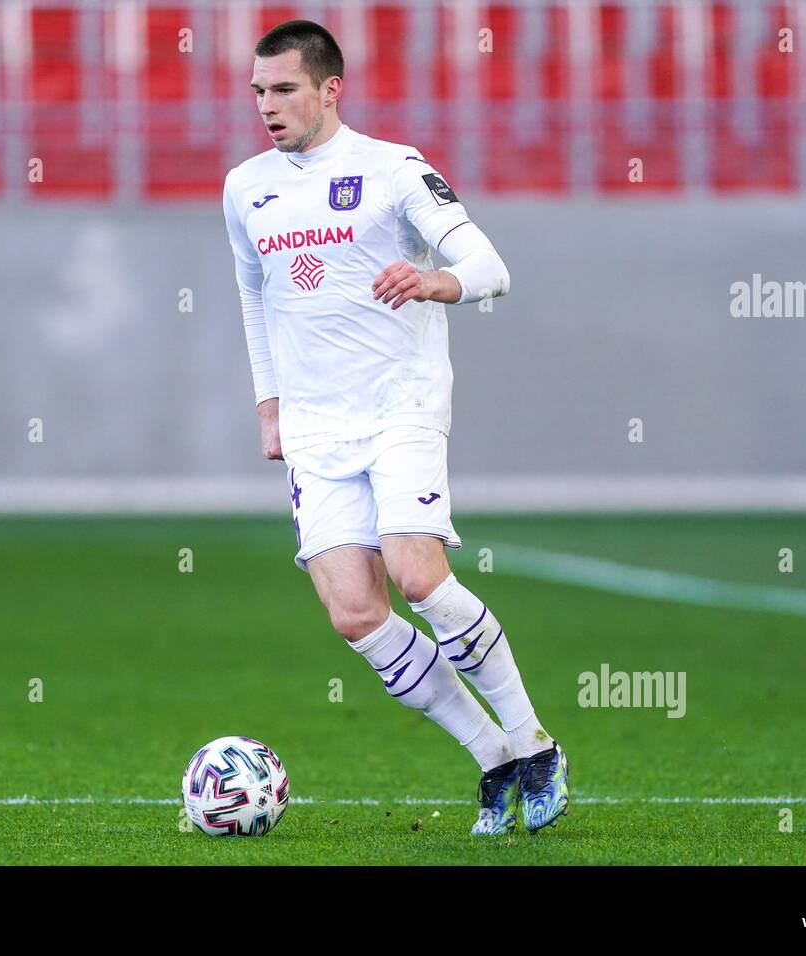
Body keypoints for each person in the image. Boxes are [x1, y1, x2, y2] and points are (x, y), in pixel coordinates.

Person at [221, 20, 567, 835]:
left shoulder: (393, 169)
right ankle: (494, 759)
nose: (267, 106)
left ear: (330, 88)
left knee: (417, 576)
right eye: (258, 92)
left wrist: (434, 280)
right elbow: (252, 293)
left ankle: (536, 743)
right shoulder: (246, 187)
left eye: (284, 90)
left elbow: (492, 269)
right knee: (354, 614)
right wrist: (269, 403)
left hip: (398, 408)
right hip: (314, 425)